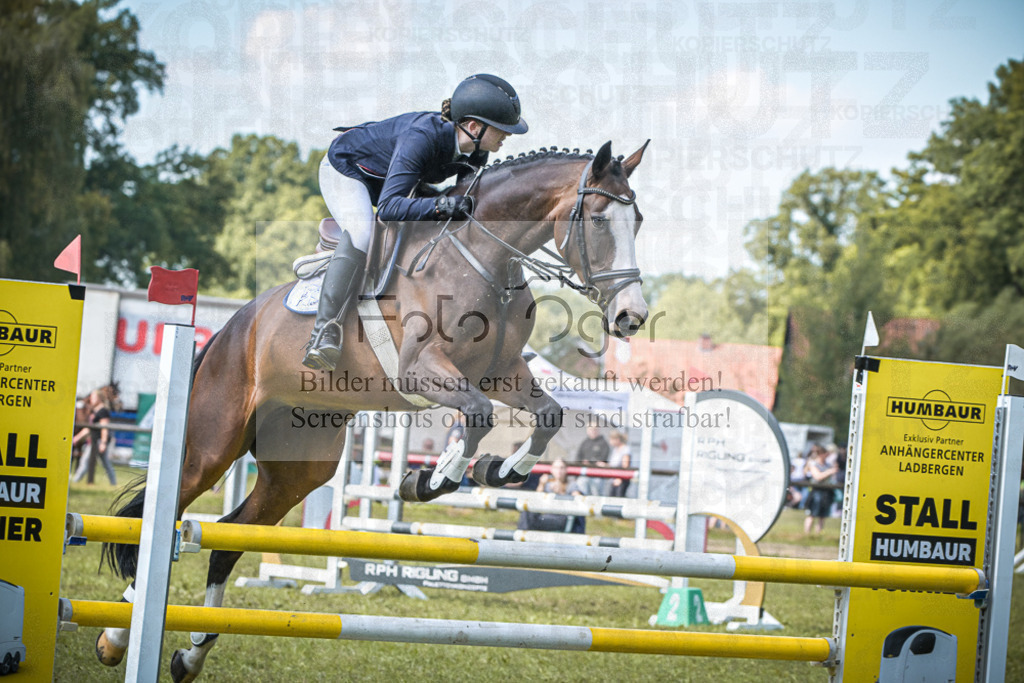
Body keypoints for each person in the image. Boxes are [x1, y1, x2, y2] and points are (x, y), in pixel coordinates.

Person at [302, 74, 529, 370]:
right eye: (501, 129)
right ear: (474, 127)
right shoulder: (422, 137)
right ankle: (324, 332)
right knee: (361, 233)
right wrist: (441, 204)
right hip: (348, 170)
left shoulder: (477, 152)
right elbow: (388, 207)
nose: (507, 136)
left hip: (397, 181)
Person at [518, 458, 585, 533]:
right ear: (551, 469)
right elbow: (536, 500)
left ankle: (521, 537)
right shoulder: (547, 483)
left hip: (561, 519)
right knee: (527, 511)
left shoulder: (571, 484)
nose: (559, 471)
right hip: (546, 516)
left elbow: (578, 500)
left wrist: (561, 493)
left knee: (529, 521)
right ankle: (522, 536)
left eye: (562, 468)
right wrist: (541, 485)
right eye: (556, 468)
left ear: (566, 470)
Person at [71, 387, 117, 485]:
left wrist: (103, 443)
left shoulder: (103, 411)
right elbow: (89, 428)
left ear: (99, 398)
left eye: (93, 397)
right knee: (104, 464)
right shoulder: (94, 411)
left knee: (86, 461)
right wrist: (77, 438)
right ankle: (113, 483)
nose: (91, 399)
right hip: (93, 440)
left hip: (99, 441)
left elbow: (105, 428)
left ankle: (75, 481)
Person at [803, 444, 839, 534]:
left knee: (822, 515)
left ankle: (818, 534)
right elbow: (817, 477)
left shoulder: (828, 464)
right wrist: (830, 471)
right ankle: (806, 533)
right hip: (816, 492)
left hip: (826, 492)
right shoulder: (813, 464)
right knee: (812, 514)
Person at [606, 430, 631, 497]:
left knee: (619, 499)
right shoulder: (615, 449)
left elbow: (625, 465)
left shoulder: (625, 449)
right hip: (614, 478)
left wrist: (620, 478)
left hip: (621, 479)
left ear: (617, 439)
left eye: (611, 439)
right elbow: (613, 464)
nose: (610, 442)